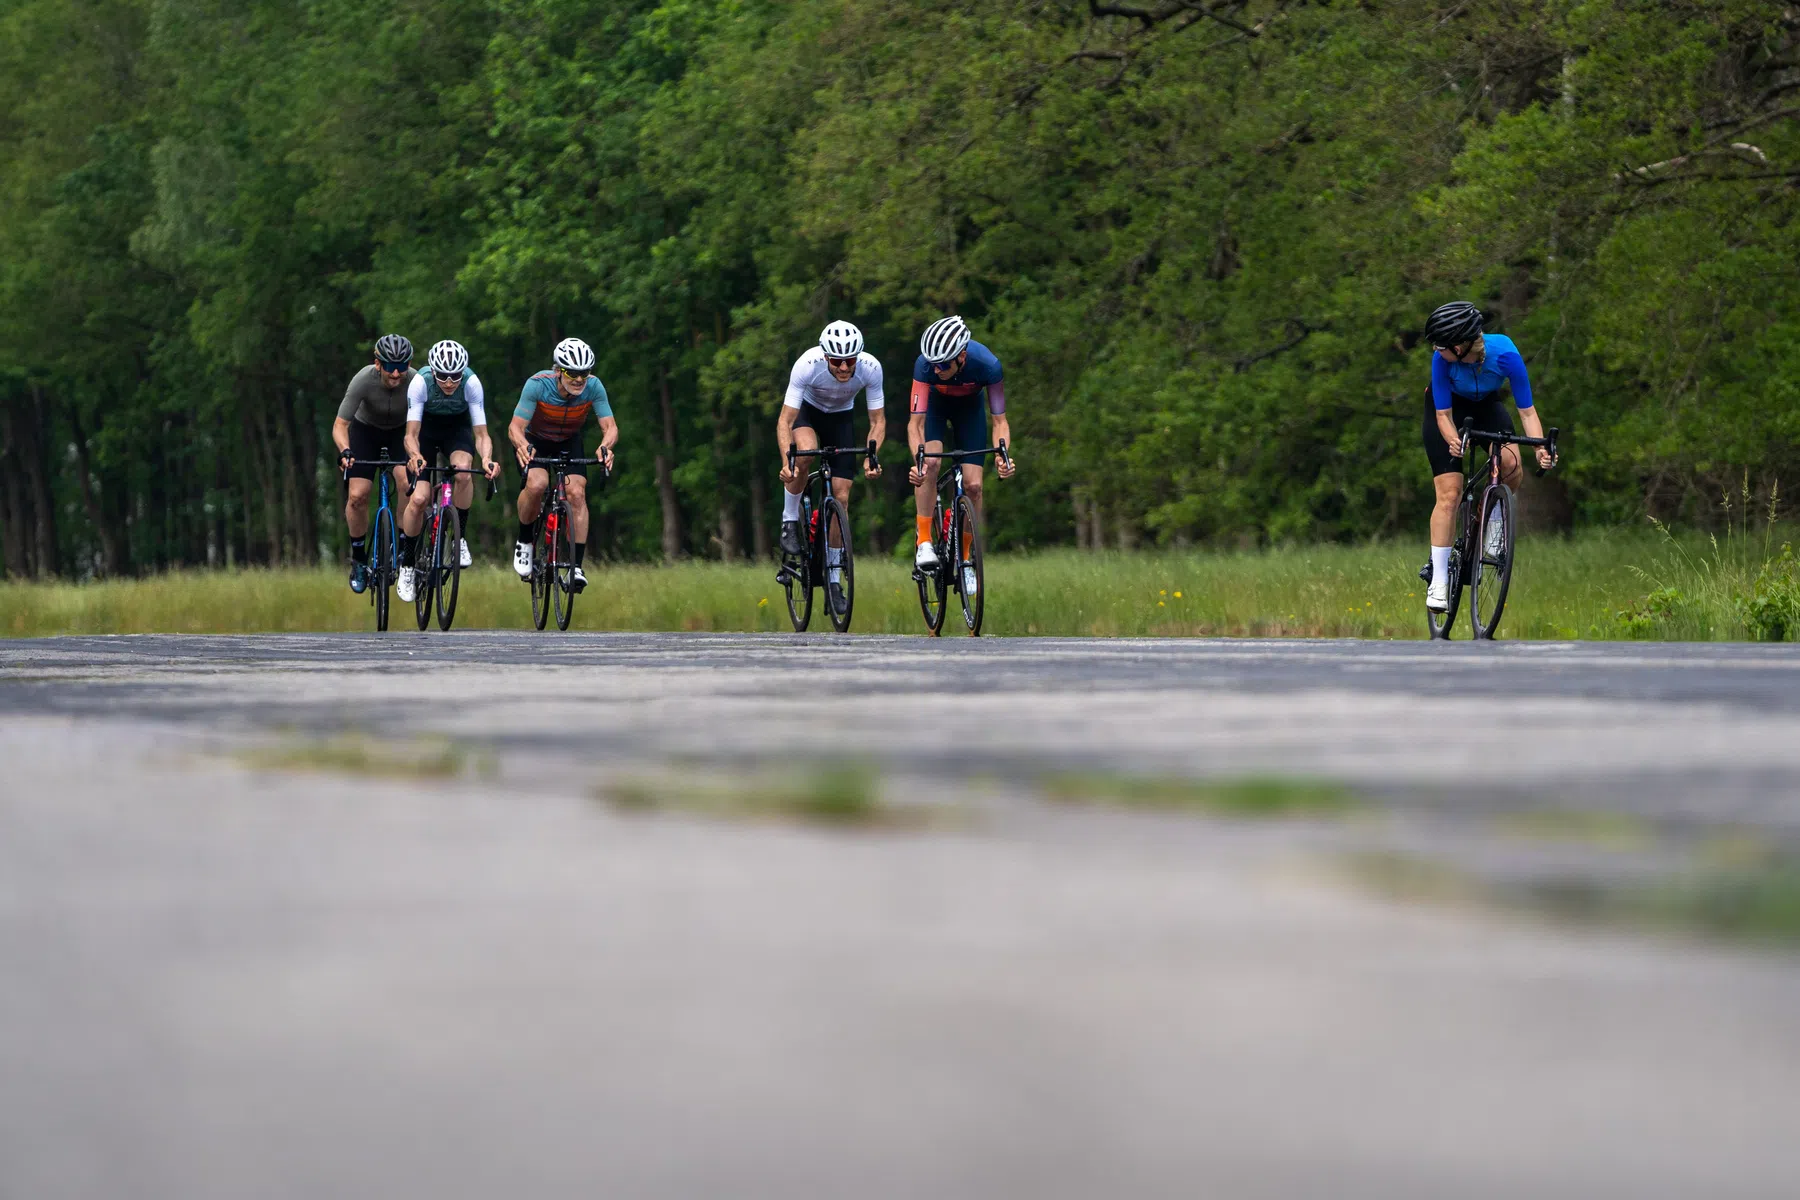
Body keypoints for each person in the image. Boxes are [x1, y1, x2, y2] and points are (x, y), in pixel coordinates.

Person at [1421, 301, 1555, 611]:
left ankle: (1492, 521)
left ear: (1459, 347)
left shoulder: (1505, 353)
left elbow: (1527, 411)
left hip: (1485, 406)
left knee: (1511, 465)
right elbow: (1443, 415)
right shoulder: (1441, 361)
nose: (1436, 350)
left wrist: (1540, 448)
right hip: (1448, 411)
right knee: (1450, 494)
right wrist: (1453, 440)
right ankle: (1439, 580)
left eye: (1440, 345)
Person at [775, 321, 885, 611]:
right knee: (804, 455)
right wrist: (787, 461)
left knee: (842, 496)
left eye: (850, 360)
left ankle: (834, 580)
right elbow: (785, 421)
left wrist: (871, 457)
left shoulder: (871, 368)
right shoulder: (807, 365)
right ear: (825, 356)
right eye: (837, 361)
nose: (845, 367)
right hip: (807, 413)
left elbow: (877, 421)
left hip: (841, 418)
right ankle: (789, 519)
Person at [905, 315, 1017, 595]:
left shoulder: (988, 365)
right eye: (933, 364)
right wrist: (918, 462)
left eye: (943, 364)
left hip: (970, 411)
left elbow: (1000, 421)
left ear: (962, 356)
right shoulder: (924, 366)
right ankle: (924, 541)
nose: (937, 369)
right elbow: (915, 424)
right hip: (935, 407)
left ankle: (966, 559)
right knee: (931, 462)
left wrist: (1002, 456)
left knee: (974, 486)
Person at [509, 337, 618, 592]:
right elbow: (515, 427)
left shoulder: (594, 386)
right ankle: (524, 540)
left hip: (569, 441)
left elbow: (610, 427)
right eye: (572, 373)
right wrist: (522, 445)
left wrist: (605, 447)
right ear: (558, 370)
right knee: (537, 484)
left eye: (584, 373)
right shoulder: (537, 385)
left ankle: (575, 567)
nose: (579, 379)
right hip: (535, 440)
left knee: (577, 493)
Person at [396, 340, 501, 603]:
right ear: (433, 371)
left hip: (457, 429)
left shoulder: (471, 383)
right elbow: (410, 435)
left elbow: (481, 434)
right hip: (426, 431)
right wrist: (415, 456)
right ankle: (407, 565)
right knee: (419, 499)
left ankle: (459, 539)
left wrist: (487, 459)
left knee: (464, 472)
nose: (450, 382)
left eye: (455, 375)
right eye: (443, 376)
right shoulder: (420, 383)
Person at [333, 334, 416, 593]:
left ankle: (403, 550)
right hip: (365, 431)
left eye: (401, 366)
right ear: (377, 363)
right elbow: (340, 425)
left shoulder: (416, 381)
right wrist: (345, 451)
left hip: (400, 433)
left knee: (406, 484)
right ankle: (359, 560)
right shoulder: (363, 380)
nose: (395, 373)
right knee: (357, 495)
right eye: (390, 366)